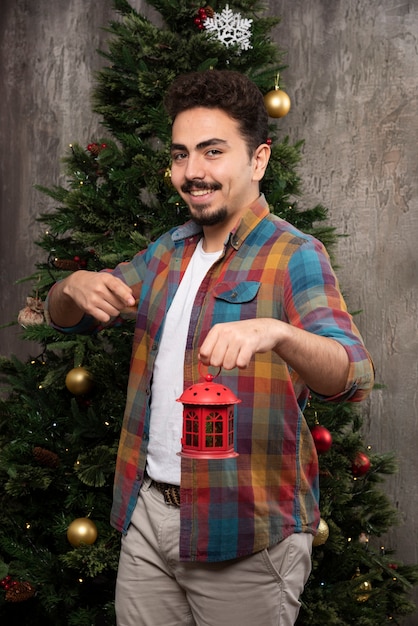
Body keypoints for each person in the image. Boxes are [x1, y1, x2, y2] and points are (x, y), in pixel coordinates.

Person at [46, 69, 374, 626]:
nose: (192, 172)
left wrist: (277, 333)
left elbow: (352, 374)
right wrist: (71, 288)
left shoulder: (295, 254)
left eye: (212, 151)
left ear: (258, 160)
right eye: (180, 155)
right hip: (148, 518)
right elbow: (68, 319)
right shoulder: (165, 254)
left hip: (245, 532)